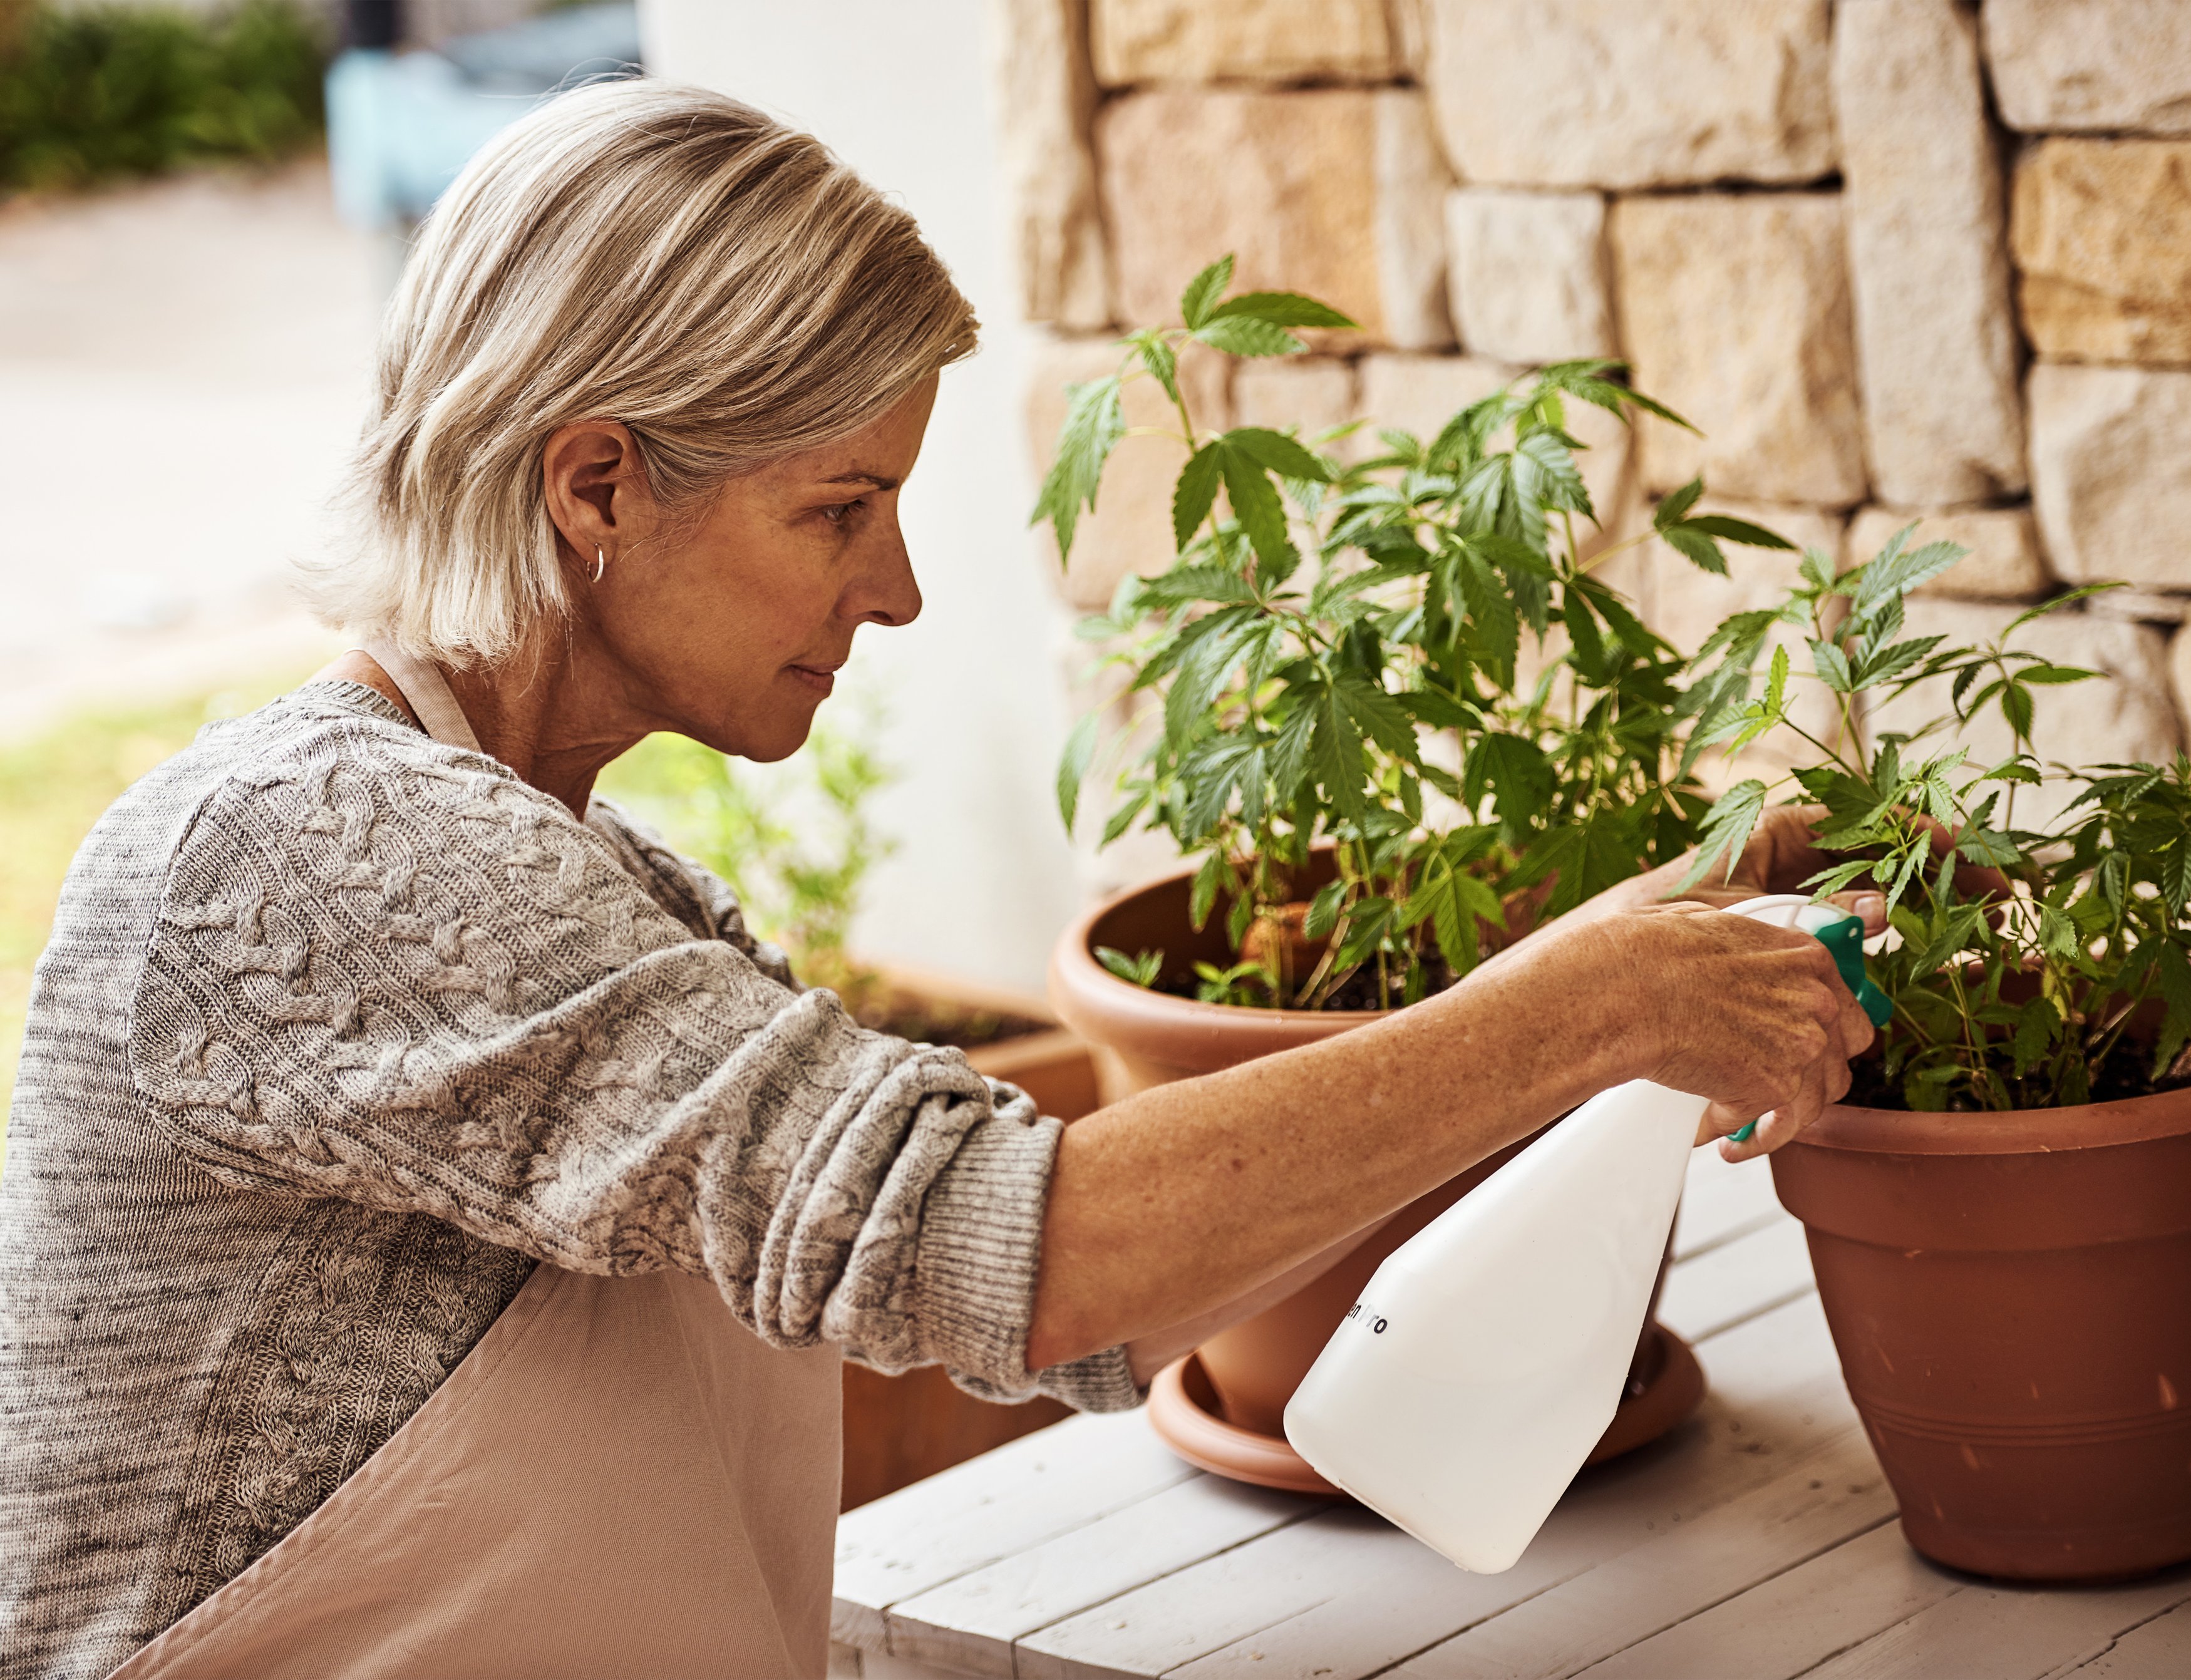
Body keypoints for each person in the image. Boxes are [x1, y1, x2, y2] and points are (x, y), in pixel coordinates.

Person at [0, 80, 1875, 1680]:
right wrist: (1581, 1012)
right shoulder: (308, 857)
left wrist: (1607, 966)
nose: (893, 592)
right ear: (594, 487)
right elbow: (1024, 1257)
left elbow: (1101, 1302)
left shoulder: (577, 878)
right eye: (839, 507)